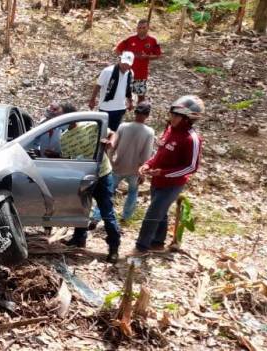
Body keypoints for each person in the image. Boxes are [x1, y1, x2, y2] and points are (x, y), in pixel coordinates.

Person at [134, 96, 204, 254]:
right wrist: (148, 164)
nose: (172, 118)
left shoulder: (192, 139)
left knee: (152, 214)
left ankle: (141, 247)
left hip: (173, 184)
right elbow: (159, 153)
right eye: (172, 114)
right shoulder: (169, 130)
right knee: (161, 212)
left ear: (187, 119)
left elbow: (191, 167)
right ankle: (158, 242)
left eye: (176, 116)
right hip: (157, 180)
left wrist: (164, 173)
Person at [60, 120, 122, 263]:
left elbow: (113, 133)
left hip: (102, 175)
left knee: (107, 212)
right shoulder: (64, 138)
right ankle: (79, 239)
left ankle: (114, 248)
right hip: (84, 177)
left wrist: (110, 142)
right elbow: (69, 160)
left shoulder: (91, 125)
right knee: (81, 209)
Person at [92, 102, 155, 223]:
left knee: (107, 192)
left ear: (135, 112)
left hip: (118, 166)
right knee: (132, 193)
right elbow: (146, 154)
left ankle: (96, 217)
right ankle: (125, 218)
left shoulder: (123, 126)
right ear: (147, 115)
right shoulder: (149, 132)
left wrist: (110, 161)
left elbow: (112, 146)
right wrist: (143, 172)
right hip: (135, 170)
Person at [114, 19, 162, 104]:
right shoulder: (130, 39)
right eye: (139, 28)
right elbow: (117, 49)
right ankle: (122, 110)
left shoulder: (152, 40)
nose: (141, 29)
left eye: (144, 27)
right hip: (126, 73)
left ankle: (139, 113)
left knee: (141, 96)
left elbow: (158, 55)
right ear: (137, 28)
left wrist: (147, 56)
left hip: (141, 74)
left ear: (148, 28)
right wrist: (123, 60)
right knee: (122, 94)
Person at [89, 52, 134, 131]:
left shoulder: (130, 73)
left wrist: (130, 102)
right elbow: (98, 85)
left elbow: (128, 89)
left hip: (120, 108)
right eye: (124, 63)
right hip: (106, 108)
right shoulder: (107, 71)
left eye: (128, 64)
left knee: (114, 132)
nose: (125, 66)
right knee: (102, 131)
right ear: (119, 60)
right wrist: (92, 99)